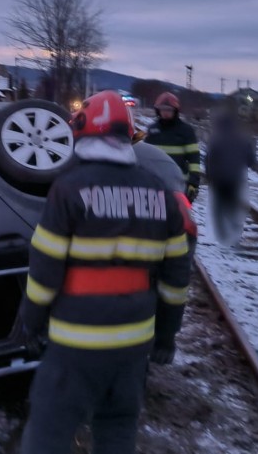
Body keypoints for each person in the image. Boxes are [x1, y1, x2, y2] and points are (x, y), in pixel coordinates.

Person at [19, 90, 190, 454]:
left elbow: (45, 270)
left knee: (49, 433)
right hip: (132, 349)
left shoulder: (68, 189)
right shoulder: (160, 192)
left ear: (80, 134)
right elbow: (177, 279)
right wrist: (166, 338)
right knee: (117, 430)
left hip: (74, 346)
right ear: (130, 137)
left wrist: (31, 322)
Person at [204, 108, 256, 249]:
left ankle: (223, 236)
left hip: (218, 180)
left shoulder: (215, 139)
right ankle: (234, 233)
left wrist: (209, 176)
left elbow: (209, 159)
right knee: (233, 207)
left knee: (219, 209)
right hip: (236, 179)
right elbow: (250, 161)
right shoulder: (243, 139)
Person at [145, 92, 202, 203]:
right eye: (163, 109)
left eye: (169, 110)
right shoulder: (152, 130)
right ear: (158, 110)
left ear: (175, 111)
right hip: (156, 184)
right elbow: (145, 156)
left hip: (179, 184)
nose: (165, 113)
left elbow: (194, 159)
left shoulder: (186, 131)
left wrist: (193, 183)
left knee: (179, 217)